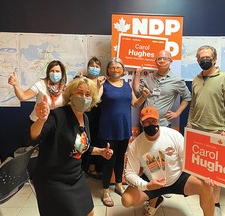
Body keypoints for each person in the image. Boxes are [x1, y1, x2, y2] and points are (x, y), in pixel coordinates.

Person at [29, 77, 113, 216]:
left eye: (88, 95)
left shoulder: (84, 118)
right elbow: (33, 138)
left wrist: (101, 152)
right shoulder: (57, 115)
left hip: (75, 176)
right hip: (53, 179)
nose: (83, 97)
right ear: (70, 95)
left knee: (90, 212)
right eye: (79, 93)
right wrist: (41, 120)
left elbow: (79, 146)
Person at [121, 106, 215, 216]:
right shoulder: (135, 145)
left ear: (158, 121)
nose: (151, 124)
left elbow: (188, 159)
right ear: (142, 123)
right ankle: (155, 200)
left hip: (177, 178)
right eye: (147, 122)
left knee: (206, 187)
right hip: (152, 182)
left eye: (153, 121)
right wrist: (146, 185)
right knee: (126, 200)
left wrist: (204, 175)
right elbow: (129, 173)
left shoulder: (173, 135)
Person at [187, 45, 225, 216]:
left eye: (208, 57)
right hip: (198, 131)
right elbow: (193, 105)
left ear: (214, 59)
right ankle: (206, 201)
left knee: (216, 173)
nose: (205, 60)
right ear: (197, 60)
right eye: (201, 58)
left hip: (218, 132)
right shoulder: (196, 79)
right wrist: (189, 124)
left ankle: (215, 204)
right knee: (202, 171)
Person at [98, 57, 150, 207]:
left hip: (124, 128)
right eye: (112, 68)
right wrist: (97, 85)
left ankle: (119, 185)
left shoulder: (127, 85)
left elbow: (134, 103)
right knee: (108, 160)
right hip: (108, 129)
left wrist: (144, 96)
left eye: (118, 68)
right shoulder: (104, 85)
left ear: (123, 70)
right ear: (108, 70)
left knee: (120, 158)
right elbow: (95, 99)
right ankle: (106, 190)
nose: (115, 70)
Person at [133, 50, 191, 127]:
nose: (162, 61)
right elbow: (137, 91)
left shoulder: (177, 80)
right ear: (156, 62)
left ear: (170, 61)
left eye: (165, 59)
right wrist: (137, 74)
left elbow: (187, 97)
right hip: (145, 122)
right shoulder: (149, 77)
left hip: (163, 124)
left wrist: (177, 113)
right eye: (159, 59)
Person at [81, 56, 106, 179]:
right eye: (92, 66)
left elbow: (98, 98)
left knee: (96, 142)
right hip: (84, 115)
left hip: (98, 117)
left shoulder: (102, 82)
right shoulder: (81, 80)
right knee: (83, 142)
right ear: (87, 67)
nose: (94, 69)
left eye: (97, 67)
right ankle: (82, 169)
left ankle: (92, 168)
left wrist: (99, 85)